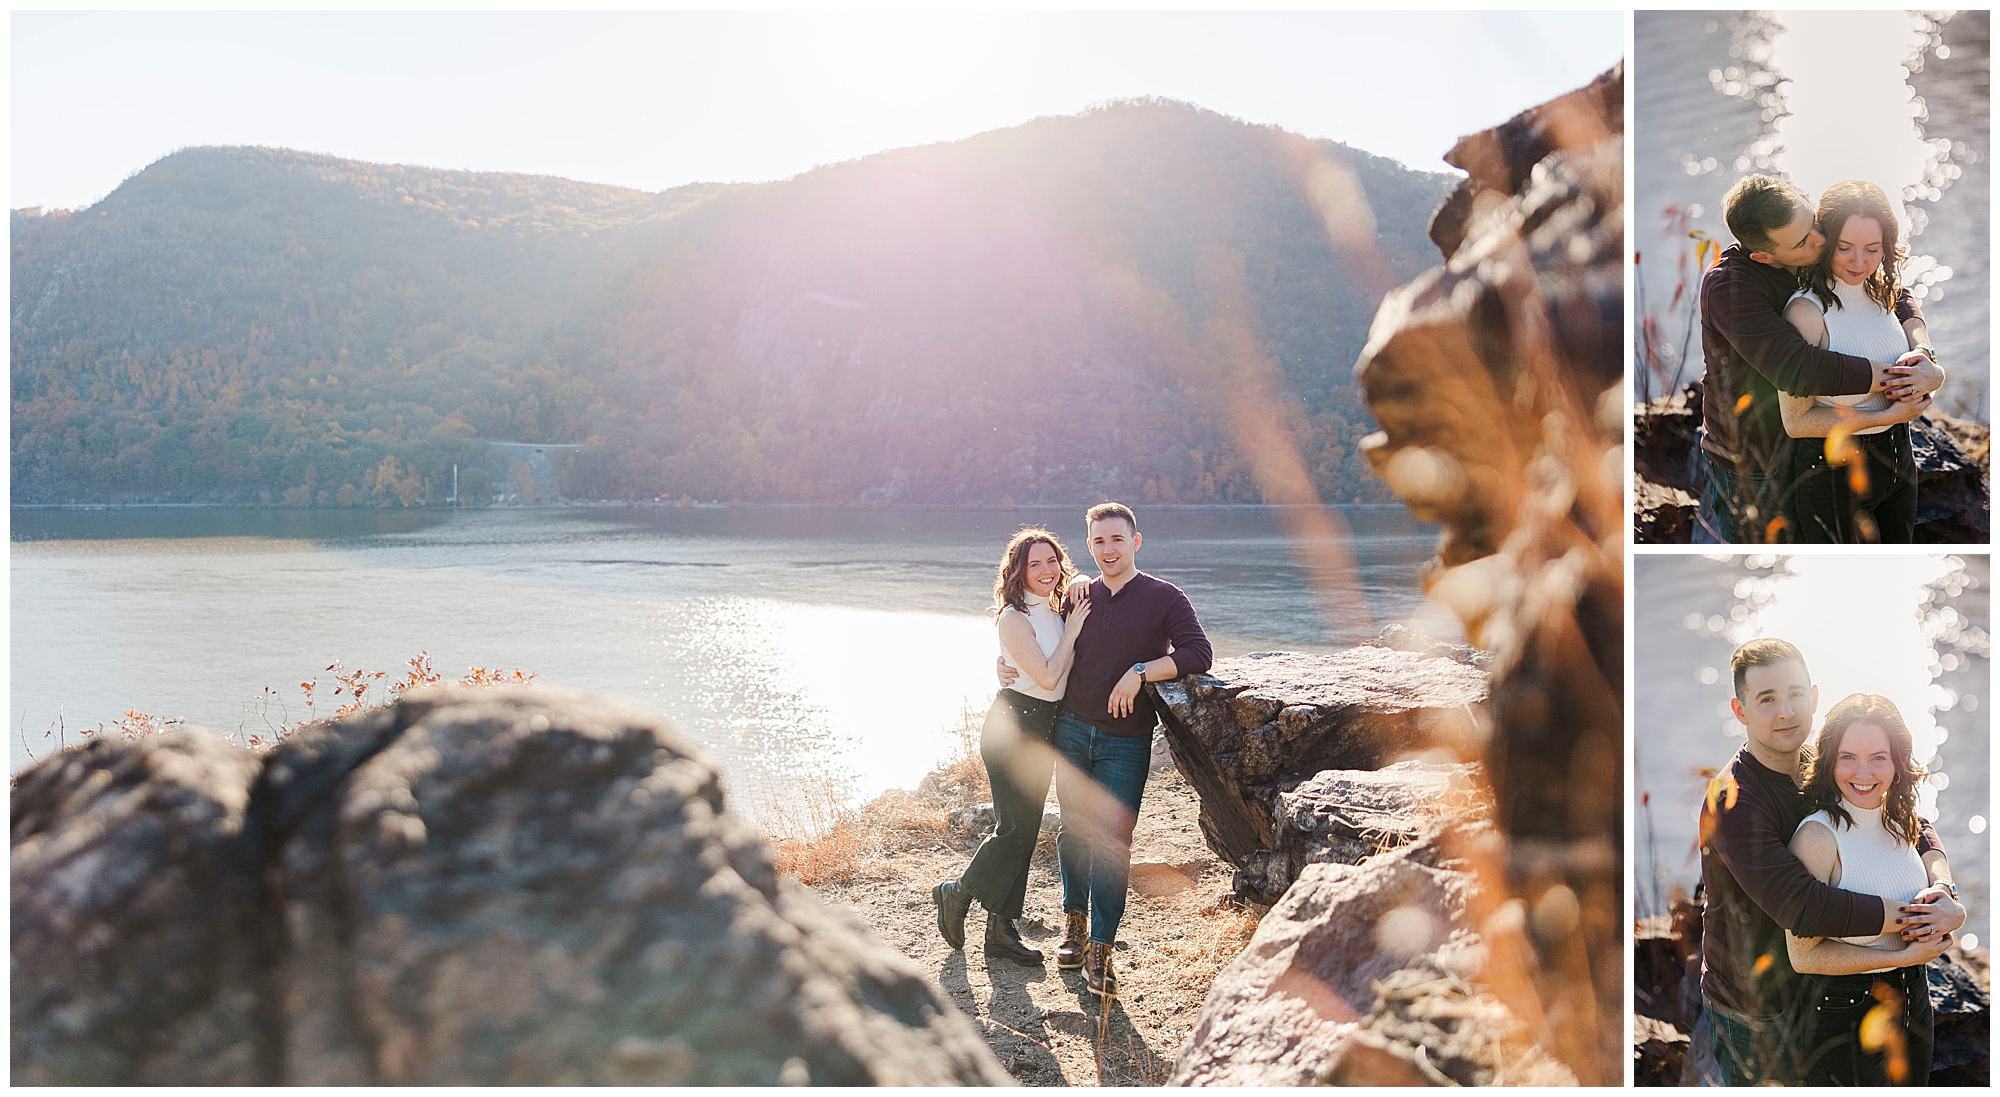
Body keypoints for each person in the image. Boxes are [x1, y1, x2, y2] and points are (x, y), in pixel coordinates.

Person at [1697, 638, 1962, 1085]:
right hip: (1757, 1008)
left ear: (1814, 697)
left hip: (1822, 983)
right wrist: (1914, 920)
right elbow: (1803, 908)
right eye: (1767, 699)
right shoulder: (1733, 802)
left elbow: (1899, 815)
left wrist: (1944, 888)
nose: (1786, 712)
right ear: (1739, 711)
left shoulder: (1818, 762)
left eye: (1796, 694)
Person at [1001, 502, 1211, 999]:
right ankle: (1073, 926)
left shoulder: (1165, 597)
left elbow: (1198, 653)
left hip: (1127, 741)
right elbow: (1033, 638)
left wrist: (1141, 671)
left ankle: (1101, 948)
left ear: (1135, 541)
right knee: (1073, 834)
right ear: (1089, 546)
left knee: (1113, 843)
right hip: (1071, 732)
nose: (1108, 549)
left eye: (1116, 539)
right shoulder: (1076, 597)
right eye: (1098, 541)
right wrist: (1004, 668)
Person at [1693, 175, 1941, 543]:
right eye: (1805, 240)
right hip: (1756, 456)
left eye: (1815, 225)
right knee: (1771, 556)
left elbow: (1883, 285)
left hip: (1818, 440)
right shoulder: (1730, 289)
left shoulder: (1807, 241)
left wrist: (1923, 351)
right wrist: (1898, 379)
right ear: (1766, 256)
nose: (1821, 241)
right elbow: (1799, 368)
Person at [932, 528, 1091, 965]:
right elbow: (1045, 676)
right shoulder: (1013, 617)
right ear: (1018, 571)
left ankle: (1000, 930)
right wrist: (1073, 633)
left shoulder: (1060, 606)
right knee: (1014, 829)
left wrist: (1073, 604)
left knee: (1025, 829)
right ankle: (956, 892)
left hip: (1045, 729)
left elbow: (1055, 659)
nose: (1045, 571)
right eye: (1034, 564)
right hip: (1014, 725)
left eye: (1052, 561)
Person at [1785, 694, 1960, 1085]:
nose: (1863, 772)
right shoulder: (1817, 838)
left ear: (1898, 763)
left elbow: (1933, 861)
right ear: (1829, 760)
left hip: (1916, 997)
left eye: (1878, 757)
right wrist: (1904, 957)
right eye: (1848, 756)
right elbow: (1803, 956)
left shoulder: (1900, 822)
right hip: (1844, 1012)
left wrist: (1948, 898)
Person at [1778, 180, 1941, 543]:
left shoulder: (1883, 290)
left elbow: (1912, 322)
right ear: (1824, 241)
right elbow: (1796, 421)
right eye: (1844, 247)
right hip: (1833, 477)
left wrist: (1930, 365)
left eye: (1872, 249)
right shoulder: (1806, 312)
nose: (1859, 261)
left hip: (1901, 459)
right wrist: (1885, 417)